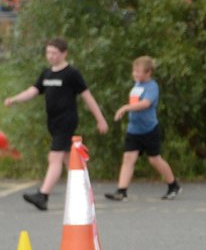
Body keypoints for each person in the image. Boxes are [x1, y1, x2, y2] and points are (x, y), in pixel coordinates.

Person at [4, 37, 109, 210]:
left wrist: (101, 119)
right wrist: (15, 99)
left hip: (66, 121)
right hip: (52, 122)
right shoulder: (47, 73)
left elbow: (87, 97)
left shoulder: (71, 74)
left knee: (54, 158)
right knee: (70, 161)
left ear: (64, 53)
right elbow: (33, 90)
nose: (51, 56)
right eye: (48, 53)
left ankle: (43, 195)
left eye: (54, 53)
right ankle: (84, 194)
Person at [104, 56, 181, 201]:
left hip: (149, 129)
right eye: (134, 71)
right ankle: (121, 191)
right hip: (134, 129)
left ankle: (173, 185)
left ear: (149, 72)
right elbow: (135, 104)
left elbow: (145, 104)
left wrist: (125, 108)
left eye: (139, 72)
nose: (135, 74)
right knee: (128, 158)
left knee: (154, 159)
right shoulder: (136, 86)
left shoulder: (152, 87)